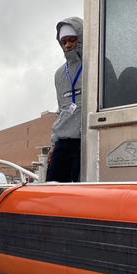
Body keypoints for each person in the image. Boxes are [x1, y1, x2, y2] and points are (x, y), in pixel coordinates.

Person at [46, 17, 84, 183]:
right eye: (63, 42)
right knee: (52, 189)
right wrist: (54, 144)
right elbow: (62, 109)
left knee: (80, 192)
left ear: (81, 38)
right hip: (62, 142)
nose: (67, 45)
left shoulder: (97, 65)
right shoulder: (59, 74)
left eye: (72, 40)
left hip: (84, 141)